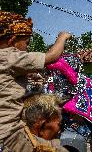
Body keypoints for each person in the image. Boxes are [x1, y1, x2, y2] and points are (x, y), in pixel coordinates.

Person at [0, 10, 71, 151]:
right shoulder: (10, 56)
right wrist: (62, 37)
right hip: (9, 134)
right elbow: (53, 56)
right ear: (11, 40)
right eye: (26, 43)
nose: (27, 48)